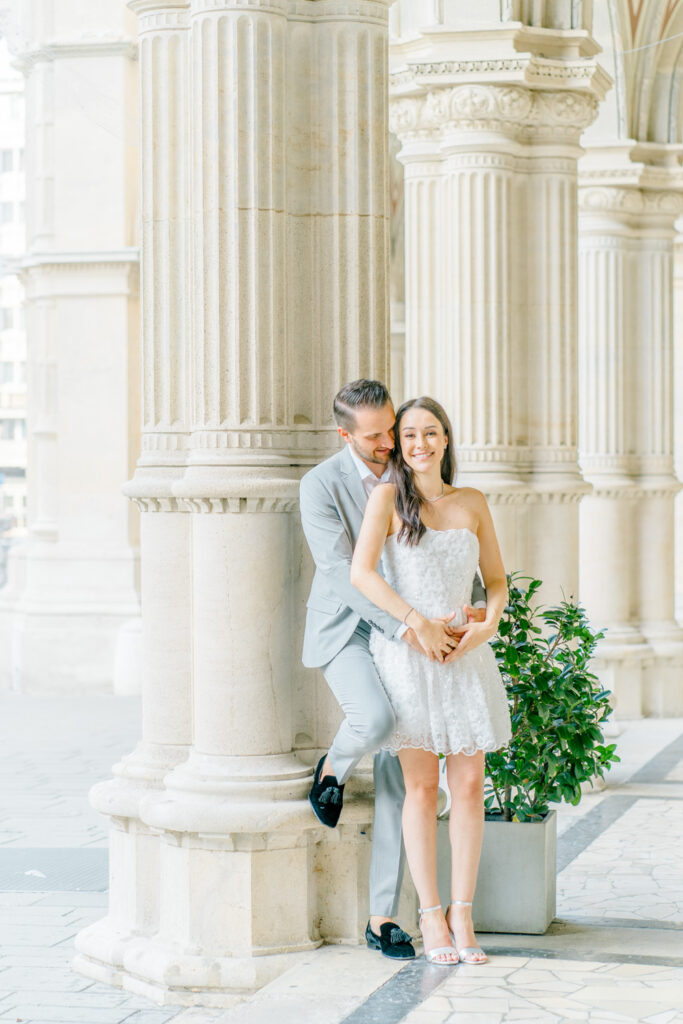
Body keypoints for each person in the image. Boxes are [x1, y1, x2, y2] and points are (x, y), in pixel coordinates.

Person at [299, 380, 487, 961]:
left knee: (401, 776)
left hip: (417, 630)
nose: (389, 443)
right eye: (376, 434)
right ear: (345, 434)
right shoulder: (321, 485)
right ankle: (331, 764)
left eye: (392, 429)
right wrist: (407, 628)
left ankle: (384, 916)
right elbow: (340, 575)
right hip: (354, 627)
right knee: (378, 721)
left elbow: (453, 553)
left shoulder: (415, 474)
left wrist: (472, 611)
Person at [349, 396, 511, 965]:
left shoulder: (472, 502)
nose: (420, 443)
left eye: (431, 433)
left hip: (464, 657)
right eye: (410, 434)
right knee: (420, 789)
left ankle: (462, 913)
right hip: (413, 659)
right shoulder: (388, 498)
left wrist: (487, 624)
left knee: (468, 787)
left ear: (446, 439)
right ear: (399, 441)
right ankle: (430, 916)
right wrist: (415, 623)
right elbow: (361, 573)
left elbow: (495, 581)